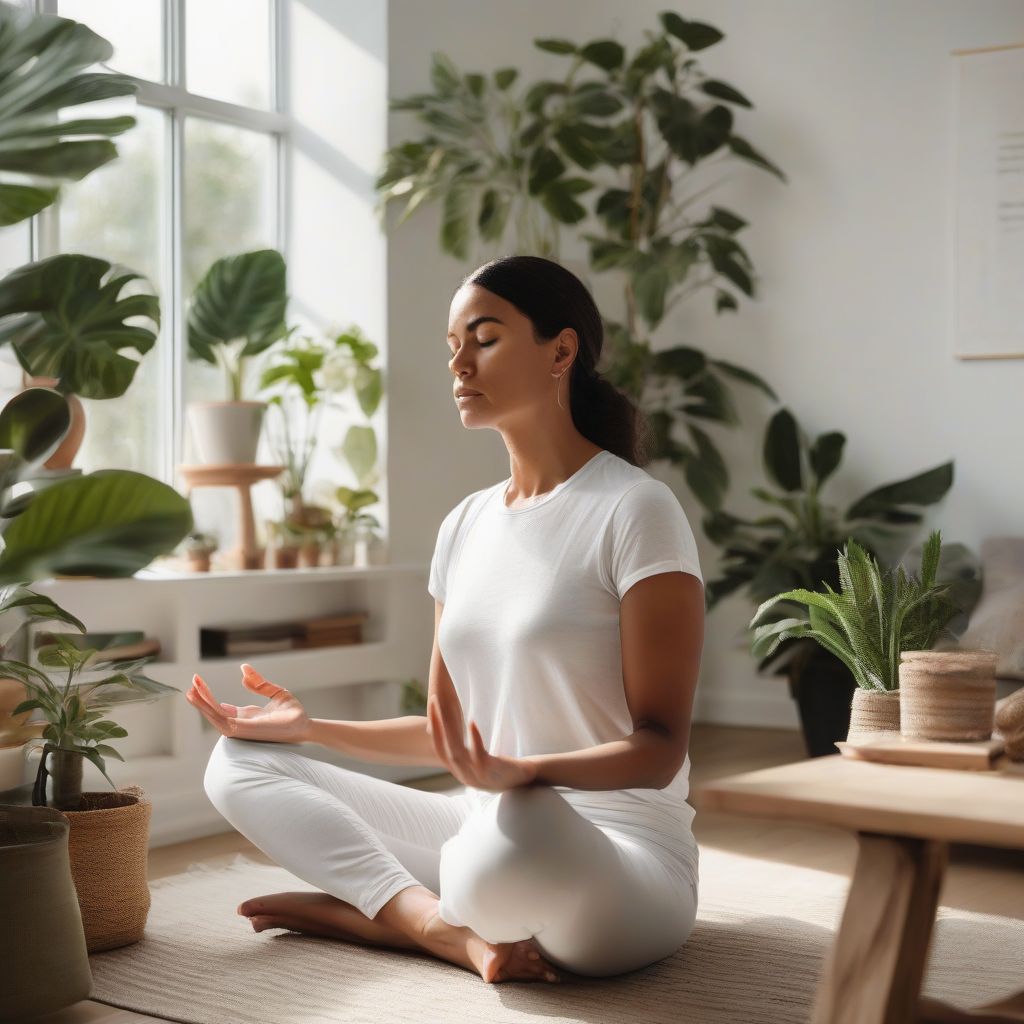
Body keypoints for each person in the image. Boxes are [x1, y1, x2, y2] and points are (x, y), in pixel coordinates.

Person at [194, 254, 706, 986]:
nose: (459, 363)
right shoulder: (464, 524)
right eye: (451, 345)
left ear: (561, 351)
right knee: (238, 763)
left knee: (522, 818)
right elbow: (447, 732)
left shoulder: (635, 510)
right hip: (483, 831)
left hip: (615, 856)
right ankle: (434, 927)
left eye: (485, 338)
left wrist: (524, 772)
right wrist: (310, 730)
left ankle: (366, 911)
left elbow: (659, 749)